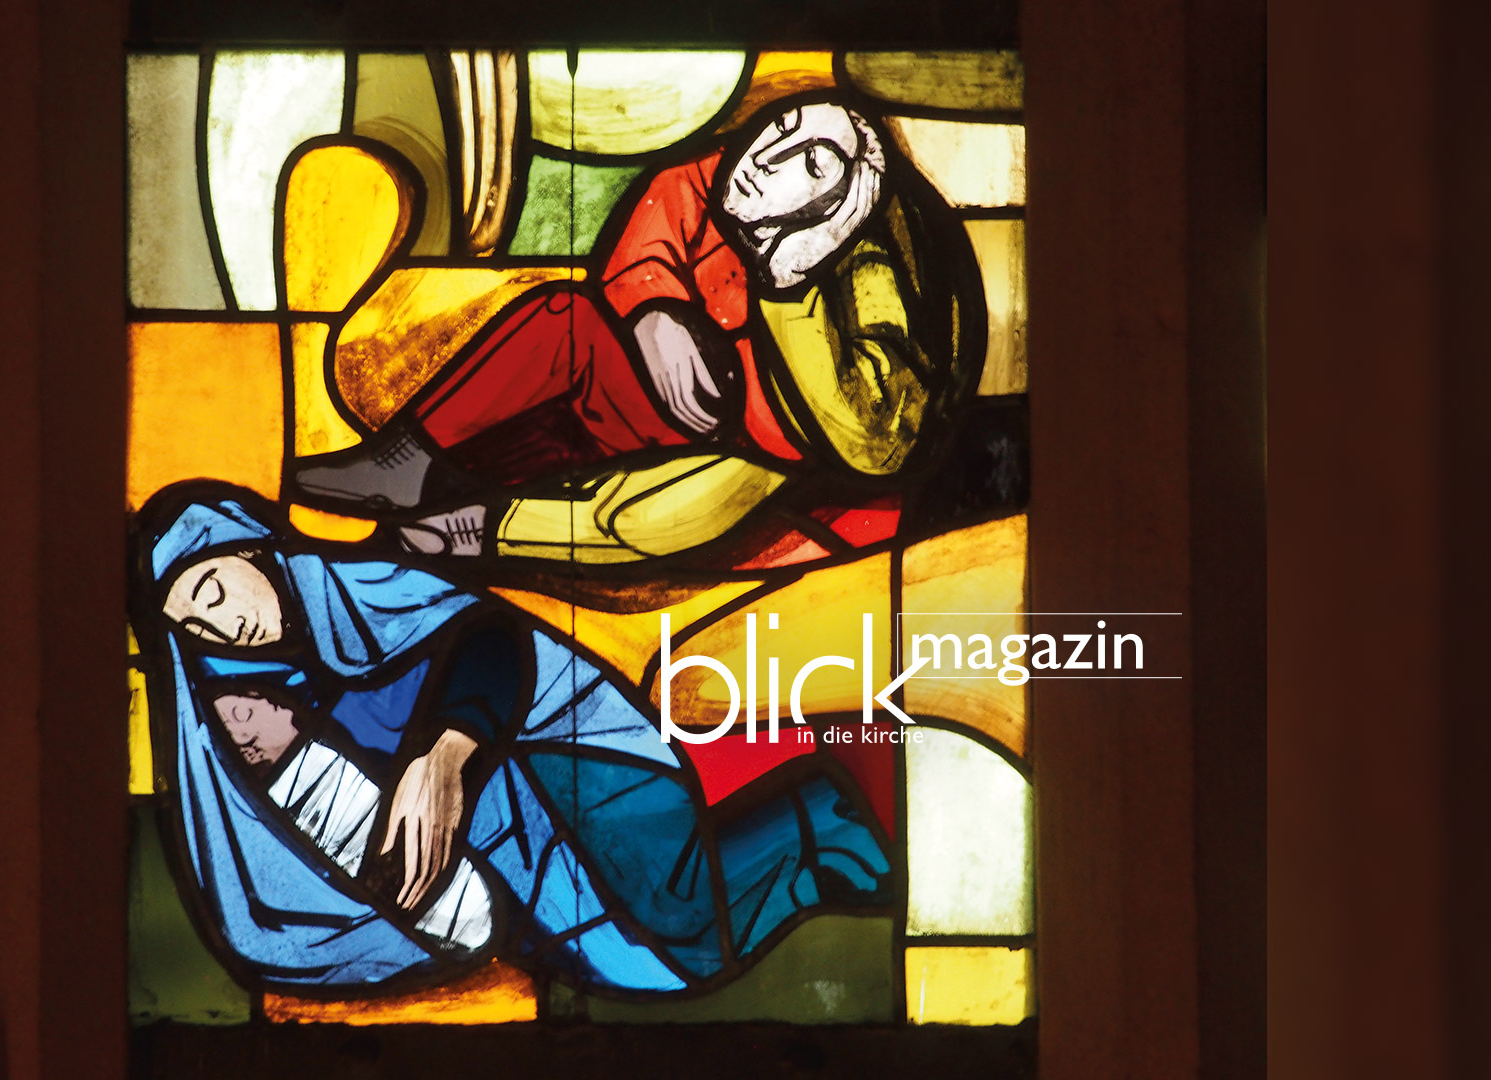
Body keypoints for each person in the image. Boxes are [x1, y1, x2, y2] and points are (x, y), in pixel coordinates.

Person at [137, 482, 893, 992]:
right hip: (502, 835)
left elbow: (497, 644)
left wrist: (444, 758)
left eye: (212, 590)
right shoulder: (263, 692)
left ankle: (838, 811)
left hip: (561, 745)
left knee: (680, 922)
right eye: (193, 625)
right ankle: (832, 832)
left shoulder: (361, 586)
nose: (219, 624)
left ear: (250, 551)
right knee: (639, 966)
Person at [293, 92, 983, 564]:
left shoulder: (867, 273)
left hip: (754, 454)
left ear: (843, 197)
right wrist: (655, 315)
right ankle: (401, 467)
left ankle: (472, 531)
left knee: (649, 519)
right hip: (641, 401)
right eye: (781, 129)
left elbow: (872, 441)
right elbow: (663, 207)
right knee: (563, 322)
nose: (770, 158)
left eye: (811, 163)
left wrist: (788, 280)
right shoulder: (729, 176)